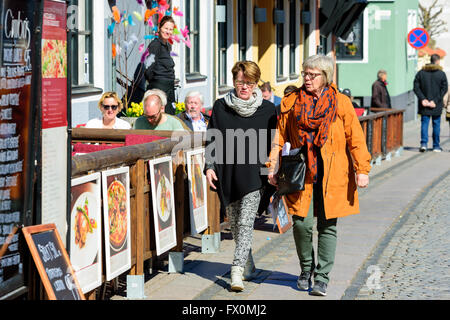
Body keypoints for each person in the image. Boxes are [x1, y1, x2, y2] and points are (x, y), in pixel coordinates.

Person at [267, 54, 371, 297]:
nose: (307, 78)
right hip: (300, 172)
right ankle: (306, 270)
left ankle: (322, 277)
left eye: (313, 74)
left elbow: (355, 138)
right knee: (301, 224)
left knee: (328, 225)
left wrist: (362, 170)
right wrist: (272, 165)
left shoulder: (341, 102)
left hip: (333, 173)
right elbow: (279, 138)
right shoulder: (291, 102)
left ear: (326, 77)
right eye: (305, 73)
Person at [205, 61, 277, 292]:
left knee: (246, 222)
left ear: (256, 83)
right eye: (240, 82)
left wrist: (270, 175)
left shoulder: (267, 110)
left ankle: (236, 271)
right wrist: (209, 167)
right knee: (236, 225)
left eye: (249, 83)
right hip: (228, 173)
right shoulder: (220, 107)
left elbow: (272, 145)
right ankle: (250, 266)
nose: (244, 86)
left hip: (255, 176)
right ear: (233, 80)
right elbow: (212, 139)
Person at [414, 54, 448, 152]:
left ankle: (423, 144)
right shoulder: (441, 74)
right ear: (437, 61)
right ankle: (436, 146)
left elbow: (416, 87)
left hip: (424, 104)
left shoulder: (421, 73)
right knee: (436, 124)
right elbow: (444, 88)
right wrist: (435, 101)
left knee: (424, 124)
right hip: (436, 105)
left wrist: (423, 99)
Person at [144, 16, 176, 115]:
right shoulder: (155, 45)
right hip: (159, 89)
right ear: (159, 28)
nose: (168, 32)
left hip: (169, 89)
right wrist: (156, 84)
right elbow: (147, 68)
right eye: (166, 28)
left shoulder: (167, 46)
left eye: (170, 29)